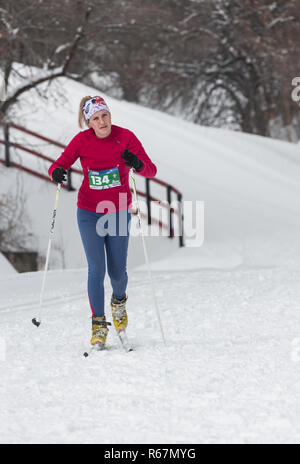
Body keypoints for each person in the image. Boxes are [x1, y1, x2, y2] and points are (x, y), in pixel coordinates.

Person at [48, 95, 157, 348]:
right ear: (89, 123)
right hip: (88, 212)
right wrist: (56, 172)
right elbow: (59, 164)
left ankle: (119, 303)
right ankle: (99, 325)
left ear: (110, 115)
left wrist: (137, 164)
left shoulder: (125, 137)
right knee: (96, 269)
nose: (102, 121)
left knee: (117, 272)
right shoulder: (81, 141)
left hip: (117, 211)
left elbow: (151, 170)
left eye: (104, 115)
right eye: (96, 118)